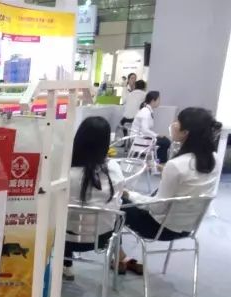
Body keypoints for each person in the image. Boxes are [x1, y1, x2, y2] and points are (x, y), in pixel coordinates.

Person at [118, 107, 222, 274]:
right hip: (189, 228)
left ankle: (119, 259)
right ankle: (121, 258)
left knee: (116, 202)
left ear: (186, 132)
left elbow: (157, 207)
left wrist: (130, 194)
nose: (173, 124)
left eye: (177, 122)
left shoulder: (176, 165)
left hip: (160, 228)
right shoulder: (214, 160)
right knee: (148, 195)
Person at [63, 117, 125, 281]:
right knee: (120, 210)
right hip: (103, 238)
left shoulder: (65, 173)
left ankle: (66, 266)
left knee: (62, 215)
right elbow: (117, 202)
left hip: (64, 240)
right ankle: (119, 256)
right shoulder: (114, 169)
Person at [130, 91, 171, 164]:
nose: (159, 102)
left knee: (164, 141)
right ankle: (159, 163)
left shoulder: (147, 111)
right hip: (139, 139)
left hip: (141, 137)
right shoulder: (145, 112)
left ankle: (158, 162)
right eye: (158, 99)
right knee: (165, 142)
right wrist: (157, 135)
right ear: (153, 101)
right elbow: (145, 130)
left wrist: (157, 135)